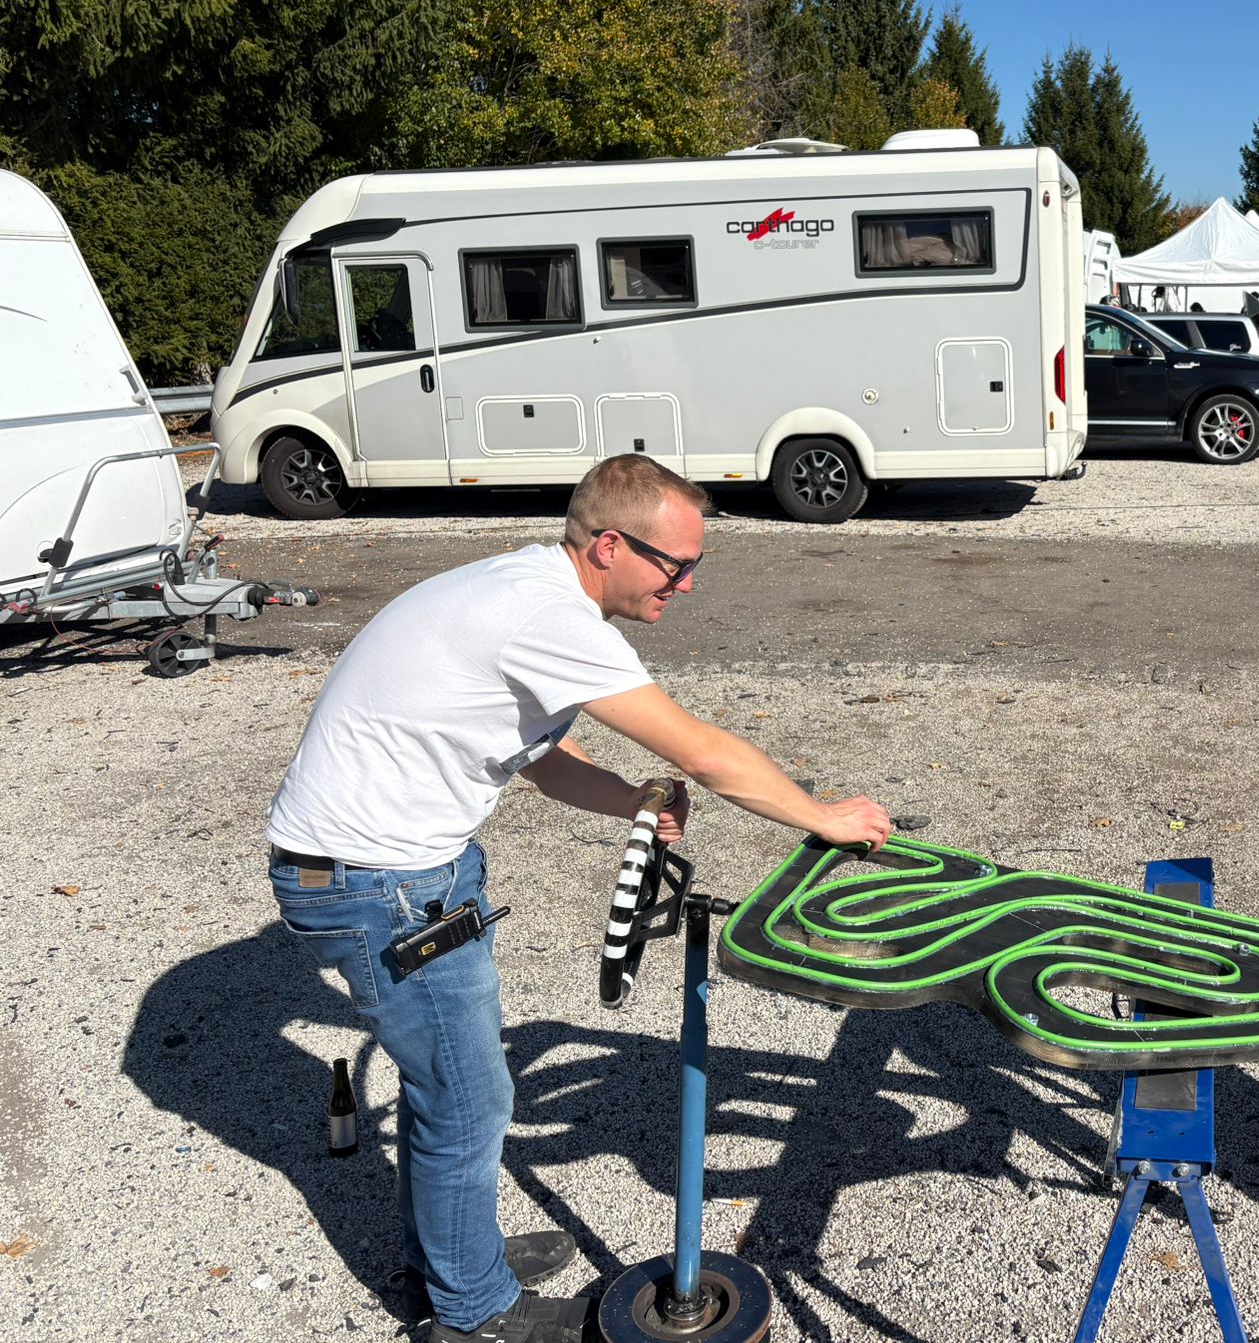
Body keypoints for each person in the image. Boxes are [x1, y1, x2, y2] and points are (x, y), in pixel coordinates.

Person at [266, 454, 893, 1343]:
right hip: (380, 886)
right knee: (468, 1099)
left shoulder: (523, 590)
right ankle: (474, 1314)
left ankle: (451, 1258)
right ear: (608, 544)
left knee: (446, 1085)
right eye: (675, 565)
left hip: (396, 871)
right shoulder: (546, 616)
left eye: (694, 566)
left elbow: (537, 754)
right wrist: (821, 816)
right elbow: (705, 753)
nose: (684, 584)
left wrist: (629, 800)